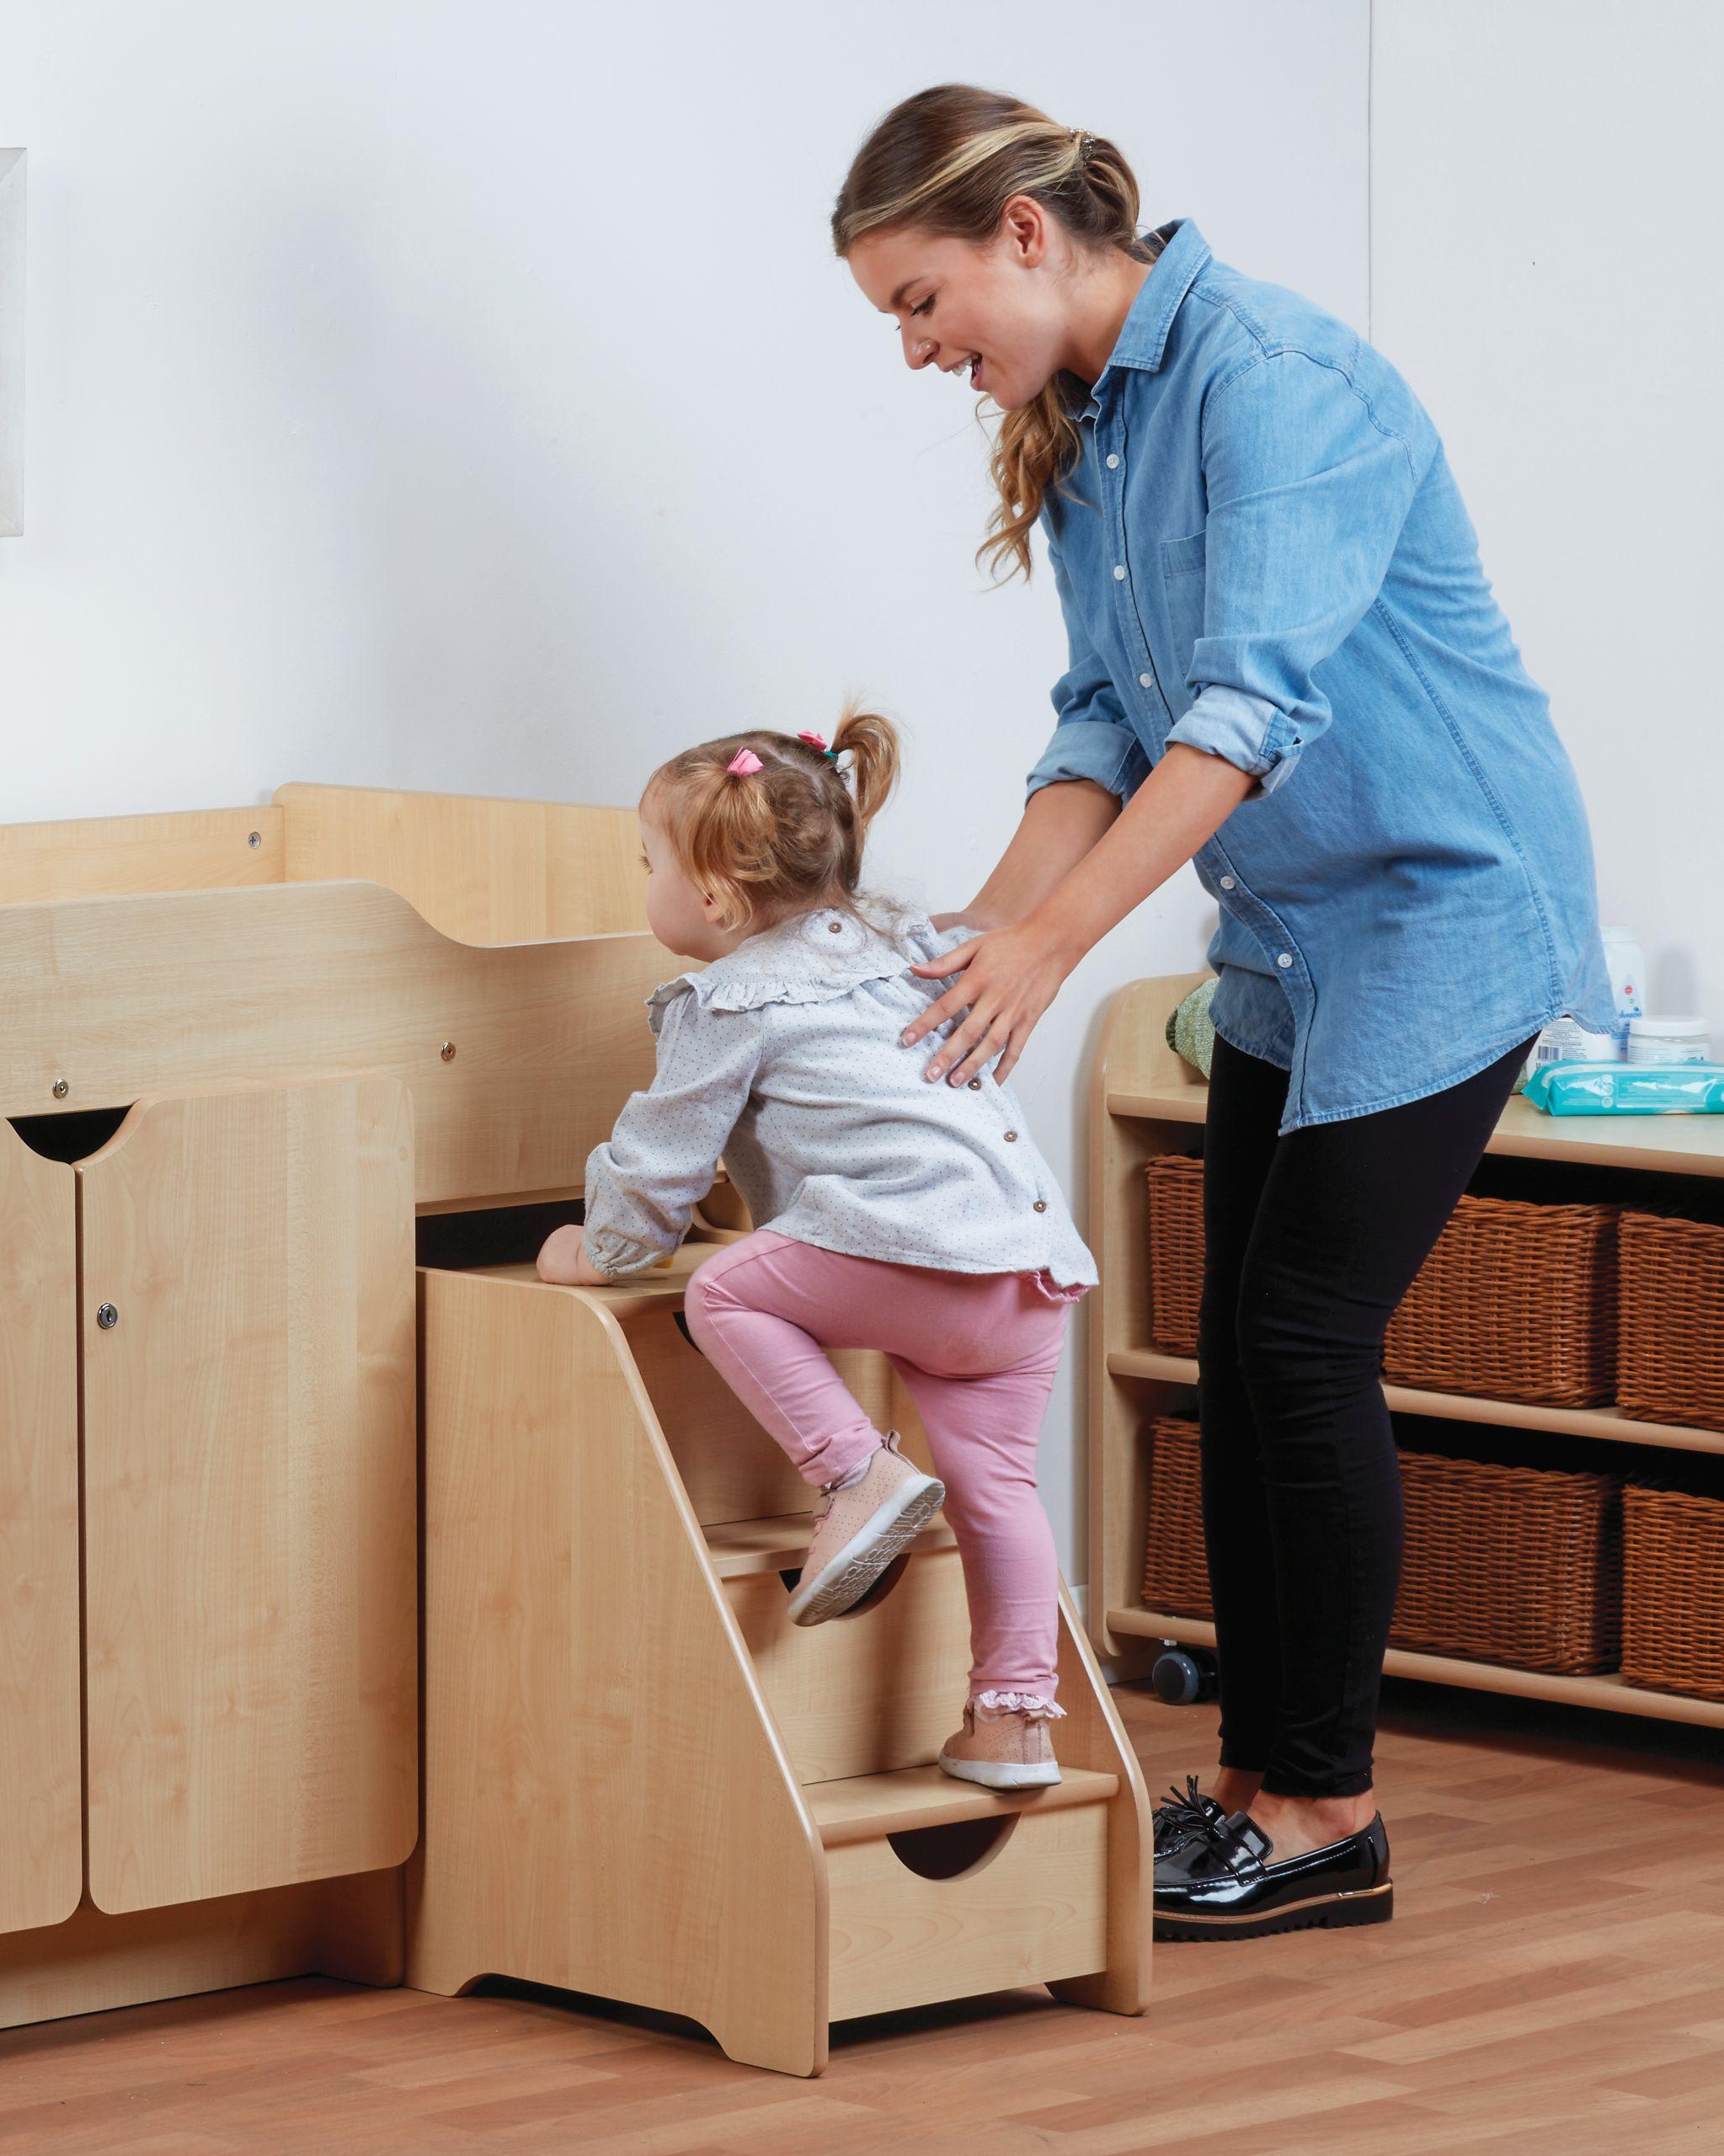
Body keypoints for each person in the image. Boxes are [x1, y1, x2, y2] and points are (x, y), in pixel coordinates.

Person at [830, 85, 1599, 1940]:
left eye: (923, 304)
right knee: (1241, 1349)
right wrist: (980, 929)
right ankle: (1258, 1781)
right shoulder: (1095, 423)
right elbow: (1106, 712)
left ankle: (1325, 1805)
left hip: (1444, 909)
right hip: (1293, 932)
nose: (925, 351)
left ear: (1025, 233)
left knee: (1300, 1340)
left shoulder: (1276, 381)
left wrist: (1059, 951)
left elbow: (1242, 717)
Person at [538, 709, 1096, 1793]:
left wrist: (592, 1250)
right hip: (1028, 1266)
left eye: (646, 860)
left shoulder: (727, 1000)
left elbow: (660, 1175)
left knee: (727, 1294)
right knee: (999, 1491)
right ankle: (1014, 1722)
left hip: (920, 1257)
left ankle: (854, 1471)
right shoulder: (911, 943)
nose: (642, 880)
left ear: (712, 895)